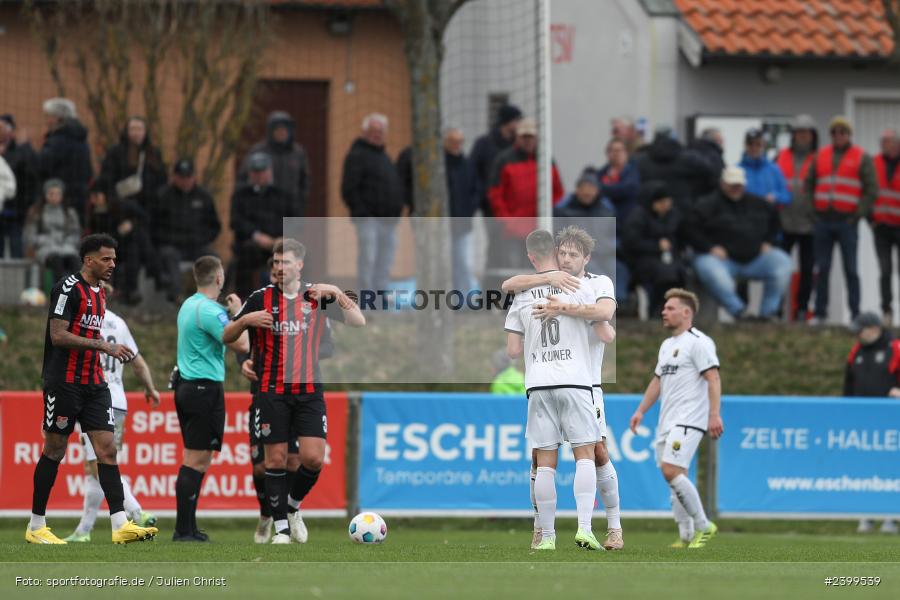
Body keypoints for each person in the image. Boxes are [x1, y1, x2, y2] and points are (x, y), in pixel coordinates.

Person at [223, 238, 365, 544]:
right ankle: (281, 531)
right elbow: (227, 334)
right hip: (271, 390)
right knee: (273, 461)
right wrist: (246, 319)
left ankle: (292, 508)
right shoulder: (260, 298)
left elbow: (358, 321)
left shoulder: (317, 295)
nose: (278, 268)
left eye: (284, 262)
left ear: (299, 265)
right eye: (274, 263)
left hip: (309, 390)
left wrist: (338, 293)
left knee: (312, 459)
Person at [27, 233, 157, 544]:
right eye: (106, 258)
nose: (113, 264)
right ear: (89, 260)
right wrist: (101, 345)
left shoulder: (100, 292)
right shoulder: (67, 288)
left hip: (95, 384)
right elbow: (58, 335)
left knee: (107, 450)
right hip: (64, 383)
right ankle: (36, 526)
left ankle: (120, 525)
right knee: (55, 449)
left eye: (114, 258)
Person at [502, 226, 620, 550]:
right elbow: (607, 331)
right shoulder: (579, 288)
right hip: (576, 380)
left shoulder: (528, 294)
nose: (566, 258)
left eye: (572, 254)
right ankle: (580, 528)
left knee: (548, 459)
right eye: (563, 252)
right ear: (555, 254)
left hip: (542, 383)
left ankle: (552, 535)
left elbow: (512, 349)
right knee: (583, 454)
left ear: (586, 257)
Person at [64, 284, 161, 542]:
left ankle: (136, 511)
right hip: (118, 401)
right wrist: (150, 388)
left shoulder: (83, 323)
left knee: (99, 465)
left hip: (93, 399)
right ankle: (84, 530)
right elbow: (137, 362)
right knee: (96, 466)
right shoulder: (119, 324)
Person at [630, 288, 722, 548]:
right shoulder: (667, 345)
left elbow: (713, 378)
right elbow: (657, 381)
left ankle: (704, 526)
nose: (663, 312)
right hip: (667, 421)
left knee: (671, 471)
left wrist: (714, 415)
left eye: (670, 308)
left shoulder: (699, 342)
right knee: (673, 477)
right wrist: (640, 411)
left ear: (686, 312)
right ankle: (685, 535)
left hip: (689, 420)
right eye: (664, 308)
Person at [172, 256, 251, 542]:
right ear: (219, 279)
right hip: (203, 389)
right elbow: (241, 343)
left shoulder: (189, 305)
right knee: (195, 459)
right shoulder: (210, 311)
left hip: (188, 386)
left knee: (196, 459)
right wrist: (240, 314)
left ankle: (189, 527)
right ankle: (183, 530)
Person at [689, 167, 793, 320]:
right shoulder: (707, 204)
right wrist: (709, 247)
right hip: (722, 260)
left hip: (756, 258)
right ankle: (739, 312)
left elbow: (775, 221)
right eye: (732, 184)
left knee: (782, 262)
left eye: (739, 185)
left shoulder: (758, 203)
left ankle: (768, 314)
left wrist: (769, 242)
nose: (735, 188)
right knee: (710, 269)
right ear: (723, 184)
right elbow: (690, 229)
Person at [807, 116, 878, 324]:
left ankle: (855, 314)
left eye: (843, 132)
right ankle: (820, 313)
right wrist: (813, 214)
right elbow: (808, 184)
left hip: (847, 222)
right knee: (822, 268)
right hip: (823, 221)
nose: (839, 135)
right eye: (835, 132)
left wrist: (857, 214)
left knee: (851, 269)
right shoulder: (820, 155)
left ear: (849, 135)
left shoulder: (861, 157)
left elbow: (871, 189)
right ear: (831, 135)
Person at [842, 312, 900, 534]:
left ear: (874, 329)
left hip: (890, 421)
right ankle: (866, 514)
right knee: (864, 467)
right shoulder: (856, 351)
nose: (857, 334)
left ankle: (891, 516)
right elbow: (848, 385)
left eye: (861, 330)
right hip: (861, 421)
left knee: (890, 467)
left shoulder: (895, 349)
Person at [340, 113, 404, 295]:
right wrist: (362, 213)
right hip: (368, 219)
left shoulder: (385, 157)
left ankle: (381, 296)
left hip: (389, 221)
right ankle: (366, 297)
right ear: (365, 132)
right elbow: (349, 189)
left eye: (381, 131)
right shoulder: (356, 155)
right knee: (368, 258)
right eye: (374, 131)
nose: (378, 135)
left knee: (386, 260)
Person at [152, 159, 221, 302]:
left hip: (197, 245)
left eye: (188, 177)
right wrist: (169, 239)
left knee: (212, 258)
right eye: (181, 177)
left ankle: (213, 296)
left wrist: (202, 239)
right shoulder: (163, 196)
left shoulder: (204, 196)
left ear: (194, 176)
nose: (185, 181)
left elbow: (215, 226)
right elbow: (154, 227)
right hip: (172, 245)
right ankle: (176, 296)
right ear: (175, 177)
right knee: (169, 256)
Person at [231, 152, 296, 298]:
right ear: (250, 173)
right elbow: (236, 221)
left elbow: (295, 220)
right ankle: (245, 302)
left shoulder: (282, 195)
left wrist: (283, 237)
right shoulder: (241, 195)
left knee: (301, 255)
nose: (259, 175)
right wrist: (257, 236)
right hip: (252, 245)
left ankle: (295, 301)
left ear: (270, 171)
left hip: (280, 243)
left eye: (262, 171)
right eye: (255, 172)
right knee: (246, 256)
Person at [84, 177, 155, 306]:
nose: (93, 200)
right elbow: (98, 237)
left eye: (96, 196)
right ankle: (133, 288)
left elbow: (144, 218)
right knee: (132, 250)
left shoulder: (123, 206)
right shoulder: (95, 214)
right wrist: (118, 232)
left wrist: (130, 224)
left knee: (135, 245)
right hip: (110, 248)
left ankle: (131, 291)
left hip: (128, 246)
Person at [776, 114, 818, 322]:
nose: (802, 136)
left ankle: (802, 309)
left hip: (809, 224)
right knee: (780, 268)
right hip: (784, 222)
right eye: (799, 132)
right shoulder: (781, 156)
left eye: (806, 133)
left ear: (812, 136)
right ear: (793, 135)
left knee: (807, 269)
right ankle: (776, 310)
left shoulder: (819, 158)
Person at [623, 183, 686, 314]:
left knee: (680, 272)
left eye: (667, 202)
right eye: (661, 202)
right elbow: (631, 243)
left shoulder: (673, 215)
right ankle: (657, 311)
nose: (665, 205)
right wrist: (656, 246)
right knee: (666, 274)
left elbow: (680, 238)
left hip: (668, 258)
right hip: (642, 259)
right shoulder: (638, 216)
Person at [239, 111, 309, 216]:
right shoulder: (258, 152)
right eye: (278, 129)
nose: (282, 132)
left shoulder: (297, 153)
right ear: (271, 131)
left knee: (292, 232)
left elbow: (304, 181)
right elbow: (244, 179)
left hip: (292, 211)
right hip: (264, 212)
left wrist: (299, 203)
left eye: (285, 129)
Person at [633, 127, 715, 214]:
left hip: (649, 210)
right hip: (684, 210)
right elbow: (711, 176)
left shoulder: (639, 159)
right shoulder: (690, 158)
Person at [36, 98, 92, 218]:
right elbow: (89, 171)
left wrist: (27, 150)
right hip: (80, 198)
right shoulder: (82, 140)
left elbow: (41, 166)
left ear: (58, 117)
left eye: (48, 116)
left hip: (58, 199)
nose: (46, 121)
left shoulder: (58, 141)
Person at [553, 171, 615, 277]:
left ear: (597, 190)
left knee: (618, 272)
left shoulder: (606, 211)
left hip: (605, 255)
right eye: (584, 188)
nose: (587, 192)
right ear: (577, 190)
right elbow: (558, 237)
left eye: (591, 188)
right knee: (596, 273)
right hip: (577, 256)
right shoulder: (564, 210)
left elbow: (613, 236)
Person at [99, 116, 167, 207]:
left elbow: (162, 179)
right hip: (122, 204)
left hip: (149, 205)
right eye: (133, 129)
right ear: (127, 131)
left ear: (145, 132)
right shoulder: (115, 153)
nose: (136, 133)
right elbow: (107, 179)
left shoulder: (153, 153)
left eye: (139, 129)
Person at [24, 179, 81, 284]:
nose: (54, 197)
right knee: (56, 261)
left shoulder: (69, 213)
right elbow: (30, 236)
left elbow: (75, 234)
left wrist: (67, 242)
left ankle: (79, 292)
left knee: (75, 261)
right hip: (46, 250)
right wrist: (44, 241)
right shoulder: (36, 212)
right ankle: (59, 293)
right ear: (45, 195)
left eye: (58, 194)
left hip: (67, 247)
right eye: (51, 194)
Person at [444, 128, 479, 294]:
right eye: (453, 141)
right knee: (444, 263)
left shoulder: (467, 164)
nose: (456, 145)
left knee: (464, 263)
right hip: (442, 225)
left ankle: (463, 300)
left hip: (463, 224)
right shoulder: (439, 166)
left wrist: (469, 209)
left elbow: (476, 189)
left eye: (459, 141)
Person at [470, 104, 522, 216]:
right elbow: (472, 172)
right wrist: (483, 195)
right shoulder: (484, 144)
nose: (520, 124)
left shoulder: (519, 146)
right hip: (490, 205)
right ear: (508, 122)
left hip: (515, 205)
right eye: (517, 120)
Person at [872, 130, 900, 326]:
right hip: (881, 227)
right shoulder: (874, 163)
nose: (884, 145)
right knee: (884, 270)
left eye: (887, 142)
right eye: (882, 142)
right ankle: (886, 311)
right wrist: (869, 218)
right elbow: (865, 190)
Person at [1, 113, 38, 258]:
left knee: (16, 245)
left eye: (2, 127)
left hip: (15, 210)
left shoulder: (21, 152)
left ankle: (17, 280)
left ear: (10, 131)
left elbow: (30, 177)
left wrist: (29, 204)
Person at [740, 128, 790, 206]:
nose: (754, 148)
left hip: (768, 216)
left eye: (758, 144)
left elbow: (786, 196)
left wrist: (775, 196)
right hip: (743, 216)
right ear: (745, 145)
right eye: (750, 144)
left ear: (763, 145)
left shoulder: (774, 169)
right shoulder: (737, 170)